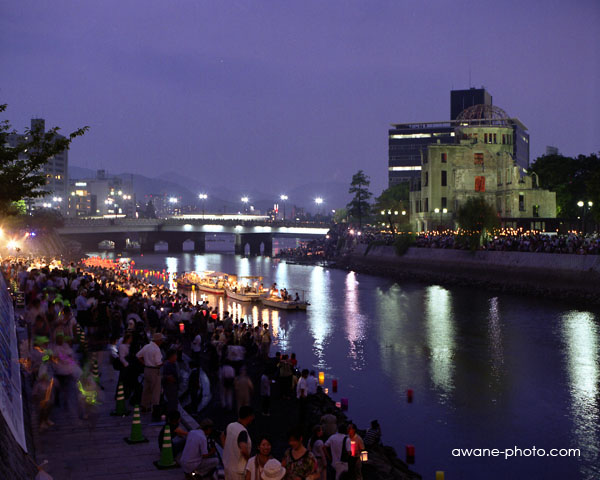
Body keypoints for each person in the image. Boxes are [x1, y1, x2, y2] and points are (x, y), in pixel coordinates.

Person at [136, 332, 165, 415]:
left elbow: (138, 355)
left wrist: (144, 363)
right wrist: (165, 363)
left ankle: (144, 406)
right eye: (161, 340)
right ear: (158, 340)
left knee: (146, 389)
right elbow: (158, 363)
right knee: (156, 391)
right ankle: (155, 410)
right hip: (154, 371)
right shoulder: (156, 349)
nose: (162, 341)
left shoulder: (146, 346)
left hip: (146, 369)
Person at [223, 405, 254, 480]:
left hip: (227, 466)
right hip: (238, 471)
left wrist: (227, 450)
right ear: (249, 417)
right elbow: (243, 449)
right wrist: (250, 461)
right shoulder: (242, 432)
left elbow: (222, 436)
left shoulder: (231, 425)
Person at [162, 349, 180, 413]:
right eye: (175, 355)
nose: (176, 357)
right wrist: (168, 378)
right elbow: (163, 376)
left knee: (174, 403)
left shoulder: (173, 364)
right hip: (170, 387)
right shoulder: (167, 364)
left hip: (173, 387)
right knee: (172, 403)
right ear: (172, 356)